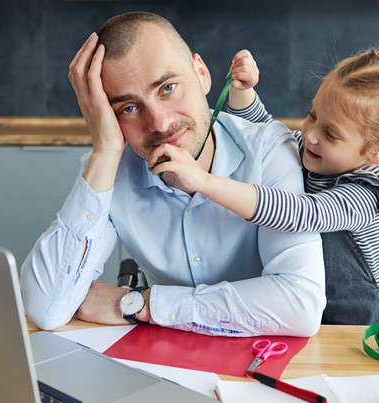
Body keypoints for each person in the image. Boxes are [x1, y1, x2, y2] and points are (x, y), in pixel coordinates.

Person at [19, 12, 326, 336]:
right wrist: (106, 151)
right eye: (129, 108)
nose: (160, 124)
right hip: (164, 365)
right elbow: (45, 308)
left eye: (168, 88)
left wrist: (142, 305)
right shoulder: (112, 169)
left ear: (202, 74)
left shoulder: (269, 151)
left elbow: (301, 306)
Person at [149, 49, 379, 324]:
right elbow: (268, 136)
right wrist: (243, 92)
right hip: (302, 316)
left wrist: (205, 183)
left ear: (378, 152)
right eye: (312, 115)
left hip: (354, 326)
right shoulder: (314, 150)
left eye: (331, 134)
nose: (310, 135)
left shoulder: (366, 195)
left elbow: (303, 213)